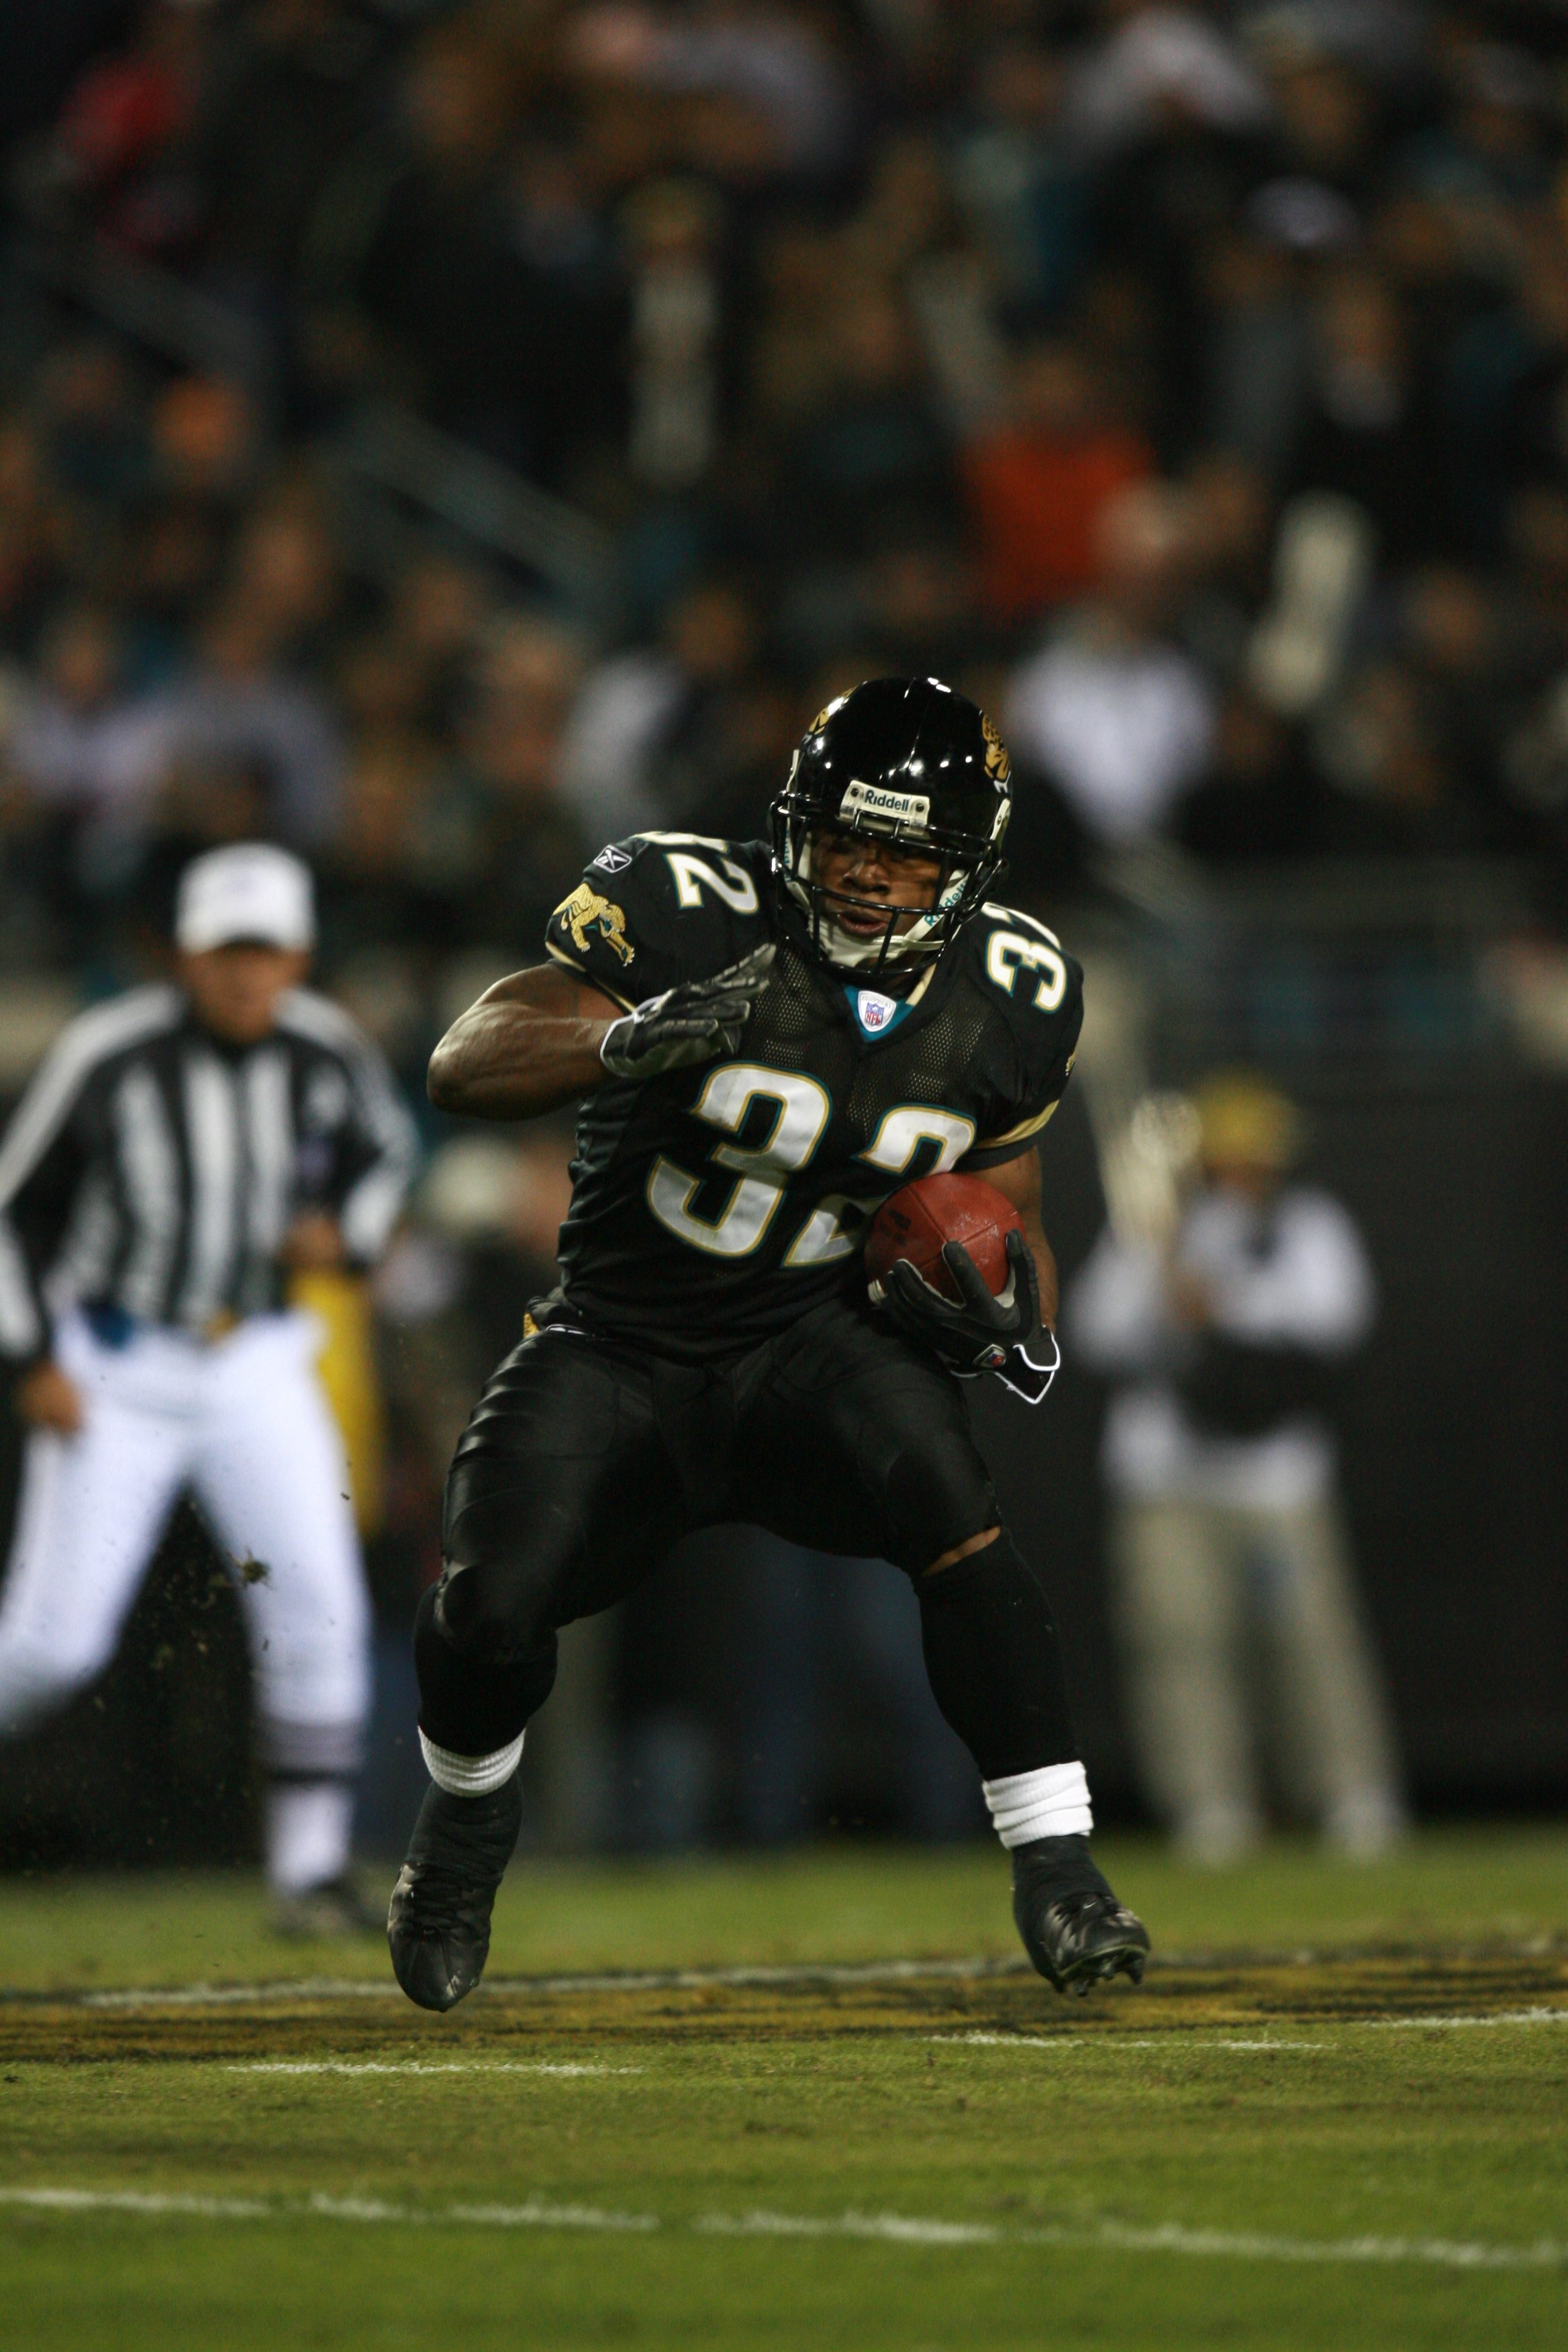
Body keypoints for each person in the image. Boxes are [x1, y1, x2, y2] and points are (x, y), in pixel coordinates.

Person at [387, 675, 1150, 2009]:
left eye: (907, 855)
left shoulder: (1019, 991)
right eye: (851, 839)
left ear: (962, 868)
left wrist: (999, 1298)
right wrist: (625, 1040)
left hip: (816, 1343)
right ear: (799, 823)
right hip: (619, 1339)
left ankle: (1060, 1872)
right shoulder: (686, 905)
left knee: (956, 1512)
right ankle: (462, 1828)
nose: (868, 878)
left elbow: (1010, 1218)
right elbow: (464, 1059)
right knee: (485, 1596)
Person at [0, 843, 418, 1929]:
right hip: (119, 1362)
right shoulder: (111, 1050)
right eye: (226, 952)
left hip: (257, 1357)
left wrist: (353, 1234)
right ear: (184, 955)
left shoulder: (321, 1048)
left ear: (298, 955)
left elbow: (388, 1150)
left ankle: (309, 1869)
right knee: (53, 1644)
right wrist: (30, 1352)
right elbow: (13, 1209)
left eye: (264, 951)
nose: (245, 975)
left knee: (321, 1611)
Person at [1067, 1073, 1406, 1863]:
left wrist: (1221, 1306)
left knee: (1308, 1640)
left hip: (1274, 1477)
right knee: (1180, 1643)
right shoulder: (1150, 1228)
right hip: (1166, 1478)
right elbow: (1094, 1333)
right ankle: (1207, 1806)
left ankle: (1351, 1795)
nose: (1243, 1170)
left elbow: (1335, 1318)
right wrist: (1159, 1277)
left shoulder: (1305, 1225)